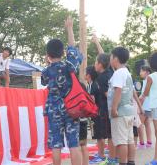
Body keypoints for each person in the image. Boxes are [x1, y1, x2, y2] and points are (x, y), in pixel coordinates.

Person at [41, 16, 83, 165]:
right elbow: (72, 48)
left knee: (56, 145)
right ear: (62, 52)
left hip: (53, 109)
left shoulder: (46, 71)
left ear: (48, 55)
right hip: (71, 107)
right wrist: (70, 29)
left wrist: (49, 64)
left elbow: (44, 81)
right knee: (74, 143)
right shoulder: (69, 66)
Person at [90, 35, 117, 165]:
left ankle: (111, 159)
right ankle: (113, 157)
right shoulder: (111, 71)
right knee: (112, 135)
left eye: (96, 62)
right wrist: (96, 42)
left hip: (107, 110)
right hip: (111, 109)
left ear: (100, 65)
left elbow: (109, 95)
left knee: (110, 135)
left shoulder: (101, 77)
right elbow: (104, 57)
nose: (94, 64)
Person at [108, 47, 135, 165]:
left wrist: (114, 108)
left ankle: (122, 163)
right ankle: (131, 162)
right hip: (129, 111)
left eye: (111, 56)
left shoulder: (118, 73)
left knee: (121, 141)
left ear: (116, 58)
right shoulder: (126, 72)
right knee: (130, 139)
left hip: (120, 112)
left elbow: (118, 91)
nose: (110, 59)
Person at [81, 66, 98, 165]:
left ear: (88, 75)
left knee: (79, 146)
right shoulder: (87, 86)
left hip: (80, 120)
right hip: (84, 119)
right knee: (84, 145)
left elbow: (92, 101)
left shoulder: (91, 85)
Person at [138, 66, 153, 149]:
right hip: (149, 107)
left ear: (147, 72)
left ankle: (141, 143)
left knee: (139, 125)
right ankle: (149, 142)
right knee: (147, 124)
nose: (140, 73)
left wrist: (139, 106)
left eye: (141, 71)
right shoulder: (146, 80)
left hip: (144, 107)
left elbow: (144, 95)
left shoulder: (147, 80)